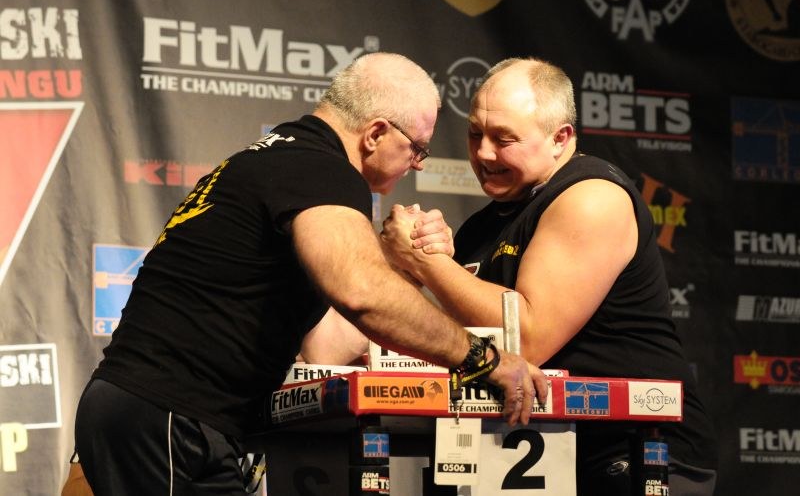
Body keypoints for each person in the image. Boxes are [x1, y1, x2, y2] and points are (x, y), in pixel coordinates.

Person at [73, 52, 549, 496]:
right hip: (166, 415)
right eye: (417, 149)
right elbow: (365, 294)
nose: (415, 164)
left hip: (161, 416)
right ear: (376, 133)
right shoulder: (320, 170)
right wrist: (484, 359)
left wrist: (407, 267)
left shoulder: (284, 159)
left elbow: (326, 347)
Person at [380, 57, 718, 496]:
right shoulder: (483, 226)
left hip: (634, 453)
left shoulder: (593, 196)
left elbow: (528, 340)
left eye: (504, 139)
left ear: (561, 138)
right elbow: (452, 341)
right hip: (536, 458)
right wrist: (403, 267)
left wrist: (427, 261)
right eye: (475, 134)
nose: (483, 153)